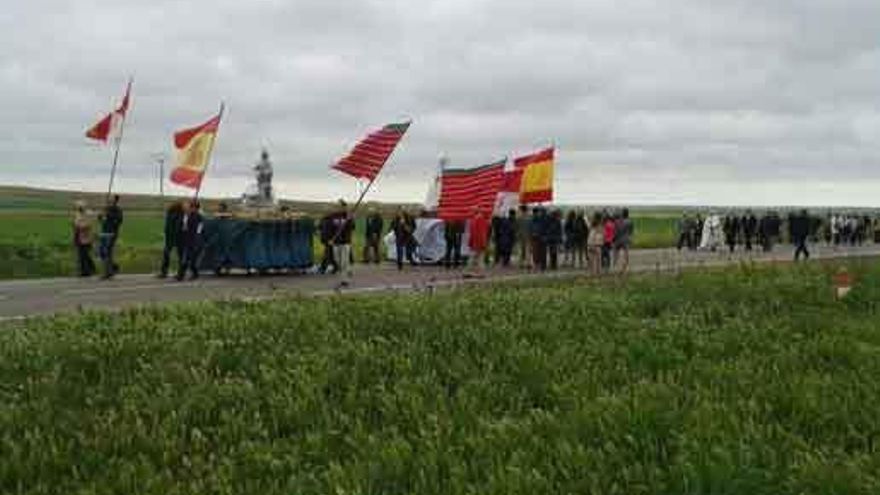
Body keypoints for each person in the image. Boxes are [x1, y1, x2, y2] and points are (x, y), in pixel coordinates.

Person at [177, 200, 204, 280]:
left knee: (188, 259)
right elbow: (182, 227)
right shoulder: (184, 215)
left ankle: (181, 275)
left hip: (193, 240)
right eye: (190, 207)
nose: (191, 209)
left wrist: (197, 236)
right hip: (185, 239)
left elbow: (199, 228)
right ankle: (194, 273)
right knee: (187, 259)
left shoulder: (198, 216)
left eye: (192, 207)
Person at [98, 194, 123, 279]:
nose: (110, 201)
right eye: (109, 200)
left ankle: (107, 273)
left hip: (112, 233)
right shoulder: (106, 208)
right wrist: (100, 216)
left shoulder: (118, 210)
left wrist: (108, 216)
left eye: (112, 200)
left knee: (107, 252)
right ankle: (113, 267)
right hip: (104, 232)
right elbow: (101, 219)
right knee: (101, 251)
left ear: (116, 201)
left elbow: (119, 221)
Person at [158, 201, 184, 278]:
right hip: (176, 237)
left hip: (173, 237)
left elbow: (170, 226)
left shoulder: (171, 214)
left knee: (168, 255)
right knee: (179, 256)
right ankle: (180, 272)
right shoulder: (180, 215)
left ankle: (165, 271)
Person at [331, 203, 355, 286]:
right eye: (339, 206)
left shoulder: (348, 216)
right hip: (335, 242)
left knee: (343, 262)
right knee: (337, 260)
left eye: (343, 207)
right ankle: (348, 269)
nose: (341, 208)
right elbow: (329, 227)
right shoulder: (333, 216)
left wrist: (350, 220)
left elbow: (352, 227)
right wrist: (329, 239)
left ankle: (344, 280)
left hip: (345, 242)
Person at [72, 201, 95, 277]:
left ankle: (86, 271)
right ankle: (86, 270)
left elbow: (88, 224)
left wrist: (79, 226)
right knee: (81, 254)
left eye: (80, 207)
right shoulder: (78, 214)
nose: (79, 209)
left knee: (84, 254)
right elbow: (75, 223)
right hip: (79, 236)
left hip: (86, 237)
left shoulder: (89, 214)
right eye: (78, 207)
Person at [613, 208, 634, 273]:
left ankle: (615, 266)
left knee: (616, 253)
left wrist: (614, 239)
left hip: (618, 240)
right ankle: (624, 268)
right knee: (626, 254)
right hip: (626, 239)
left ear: (622, 214)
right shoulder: (630, 222)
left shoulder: (617, 221)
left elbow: (615, 231)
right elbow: (631, 232)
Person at [516, 205, 532, 269]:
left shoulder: (519, 218)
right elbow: (531, 227)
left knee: (521, 251)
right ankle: (528, 263)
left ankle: (521, 264)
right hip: (528, 236)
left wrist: (517, 235)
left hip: (521, 236)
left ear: (521, 210)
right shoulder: (530, 218)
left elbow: (517, 228)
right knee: (528, 250)